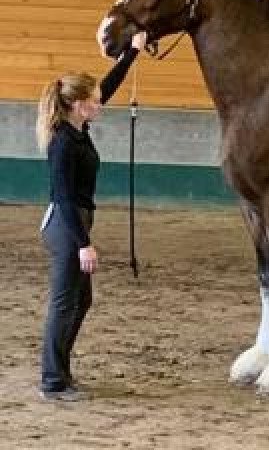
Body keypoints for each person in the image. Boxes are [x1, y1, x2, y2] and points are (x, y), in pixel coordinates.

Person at [35, 32, 147, 401]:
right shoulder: (63, 143)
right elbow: (65, 198)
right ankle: (53, 381)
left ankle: (62, 374)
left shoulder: (78, 128)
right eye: (96, 101)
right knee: (65, 302)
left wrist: (131, 53)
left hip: (76, 222)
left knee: (80, 302)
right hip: (67, 225)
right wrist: (84, 245)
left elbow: (109, 86)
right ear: (80, 106)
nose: (102, 104)